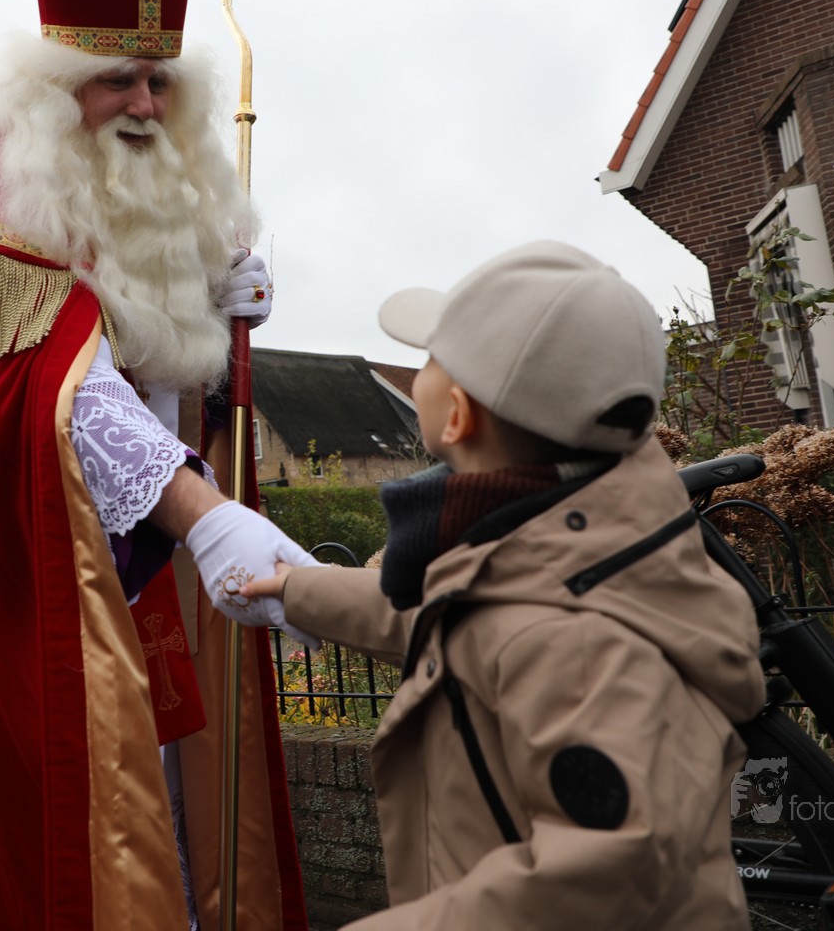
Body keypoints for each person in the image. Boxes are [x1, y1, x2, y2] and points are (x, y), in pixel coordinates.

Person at [0, 0, 313, 930]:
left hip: (165, 567)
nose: (141, 101)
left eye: (159, 78)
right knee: (88, 834)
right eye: (114, 78)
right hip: (41, 574)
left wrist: (221, 317)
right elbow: (60, 393)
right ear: (53, 87)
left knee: (184, 809)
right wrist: (206, 516)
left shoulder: (173, 189)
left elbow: (173, 377)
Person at [243, 241, 768, 929]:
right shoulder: (556, 543)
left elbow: (606, 872)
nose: (418, 374)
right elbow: (456, 618)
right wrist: (299, 589)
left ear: (457, 415)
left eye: (430, 360)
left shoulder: (574, 641)